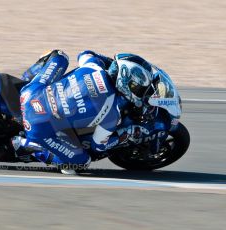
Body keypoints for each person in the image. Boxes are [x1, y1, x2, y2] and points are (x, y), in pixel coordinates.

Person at [12, 50, 154, 174]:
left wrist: (109, 62)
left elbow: (85, 53)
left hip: (30, 93)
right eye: (138, 89)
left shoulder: (94, 66)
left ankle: (23, 81)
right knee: (81, 162)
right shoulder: (113, 113)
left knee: (60, 55)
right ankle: (27, 145)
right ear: (125, 85)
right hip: (37, 125)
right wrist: (126, 135)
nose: (141, 93)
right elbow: (98, 146)